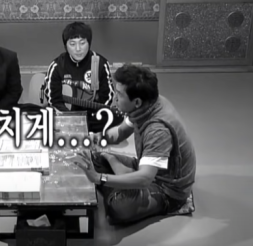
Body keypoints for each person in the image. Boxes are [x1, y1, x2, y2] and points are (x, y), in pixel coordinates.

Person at [67, 65, 196, 225]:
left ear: (136, 102)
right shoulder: (145, 105)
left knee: (118, 208)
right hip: (148, 166)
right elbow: (120, 133)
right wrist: (95, 138)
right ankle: (122, 178)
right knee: (94, 158)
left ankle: (122, 182)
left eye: (119, 94)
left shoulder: (157, 130)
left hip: (166, 187)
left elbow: (145, 179)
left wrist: (99, 178)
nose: (114, 98)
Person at [41, 21, 117, 133]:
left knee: (115, 119)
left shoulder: (99, 63)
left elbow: (107, 97)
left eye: (82, 43)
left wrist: (93, 116)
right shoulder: (57, 65)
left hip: (94, 117)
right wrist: (72, 119)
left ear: (89, 43)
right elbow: (54, 99)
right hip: (66, 117)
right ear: (66, 46)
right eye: (72, 44)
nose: (78, 49)